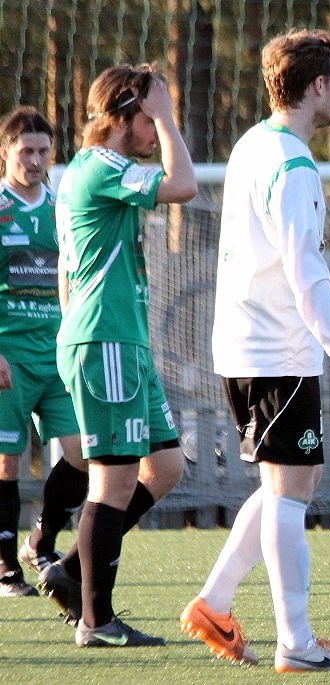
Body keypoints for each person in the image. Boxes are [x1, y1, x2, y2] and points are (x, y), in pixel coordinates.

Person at [179, 29, 330, 673]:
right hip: (275, 349)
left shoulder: (252, 145)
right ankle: (297, 643)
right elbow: (304, 270)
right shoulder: (292, 163)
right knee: (290, 490)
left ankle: (214, 602)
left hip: (247, 343)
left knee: (297, 478)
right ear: (317, 86)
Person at [41, 64, 197, 647]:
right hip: (105, 341)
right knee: (113, 482)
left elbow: (68, 270)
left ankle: (70, 571)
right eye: (148, 119)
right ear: (121, 117)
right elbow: (184, 186)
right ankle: (96, 619)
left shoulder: (97, 171)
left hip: (121, 341)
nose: (156, 131)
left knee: (167, 466)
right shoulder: (101, 166)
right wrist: (168, 116)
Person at [0, 107, 89, 598]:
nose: (35, 161)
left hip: (57, 355)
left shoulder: (62, 208)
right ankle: (5, 567)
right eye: (26, 151)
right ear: (6, 152)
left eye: (43, 151)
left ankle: (41, 540)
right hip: (9, 355)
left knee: (82, 453)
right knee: (6, 461)